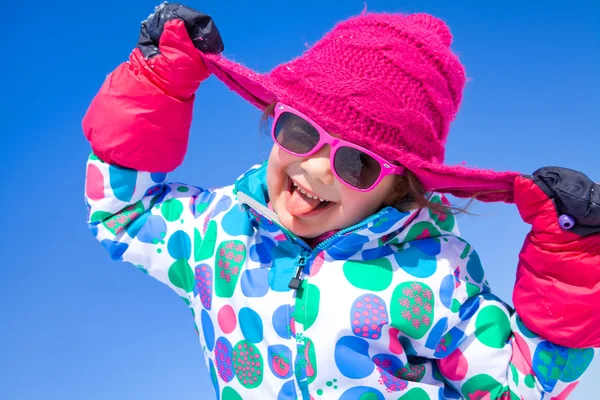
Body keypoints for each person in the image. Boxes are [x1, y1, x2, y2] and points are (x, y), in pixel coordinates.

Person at [82, 3, 599, 399]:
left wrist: (572, 263)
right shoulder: (215, 235)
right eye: (301, 133)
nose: (316, 168)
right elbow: (123, 213)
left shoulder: (429, 276)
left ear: (399, 188)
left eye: (357, 164)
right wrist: (155, 84)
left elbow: (524, 383)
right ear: (274, 123)